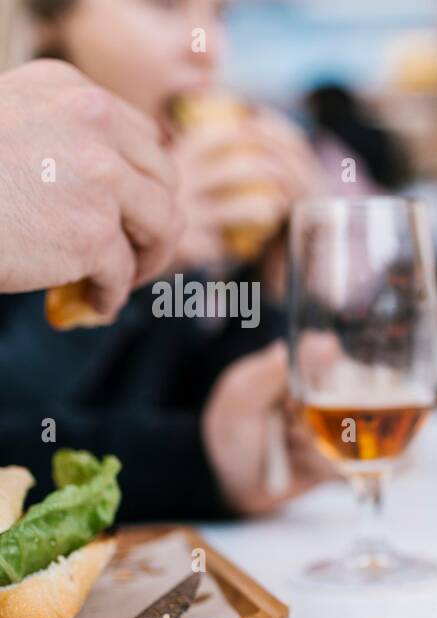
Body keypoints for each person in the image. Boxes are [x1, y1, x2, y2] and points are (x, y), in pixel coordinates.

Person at [0, 0, 334, 521]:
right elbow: (16, 438)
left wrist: (277, 275)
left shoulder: (176, 168)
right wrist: (133, 254)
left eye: (220, 14)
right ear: (51, 24)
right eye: (163, 6)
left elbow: (188, 407)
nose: (206, 48)